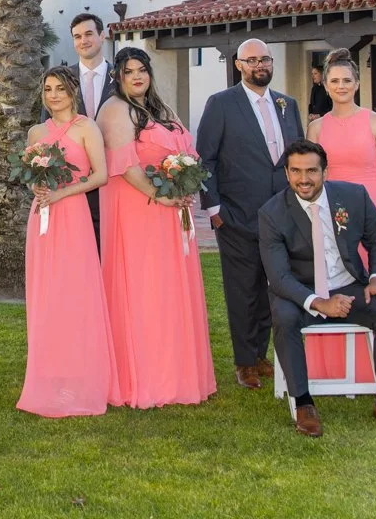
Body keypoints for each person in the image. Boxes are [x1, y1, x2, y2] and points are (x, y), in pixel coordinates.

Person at [258, 141, 376, 438]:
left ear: (325, 171)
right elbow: (278, 277)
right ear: (286, 173)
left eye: (312, 170)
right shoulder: (272, 213)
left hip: (350, 286)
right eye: (296, 171)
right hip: (299, 291)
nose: (304, 179)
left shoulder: (354, 197)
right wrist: (318, 303)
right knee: (285, 318)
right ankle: (303, 403)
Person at [98, 48, 217, 409]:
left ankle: (179, 373)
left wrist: (186, 184)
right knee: (145, 291)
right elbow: (126, 165)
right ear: (117, 76)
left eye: (142, 70)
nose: (137, 77)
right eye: (128, 71)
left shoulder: (161, 108)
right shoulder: (115, 110)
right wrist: (159, 196)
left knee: (171, 290)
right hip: (138, 211)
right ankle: (145, 379)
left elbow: (188, 152)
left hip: (170, 212)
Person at [307, 47, 376, 404]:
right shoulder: (316, 126)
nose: (341, 86)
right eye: (334, 81)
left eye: (347, 80)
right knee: (334, 287)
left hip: (370, 212)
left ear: (357, 83)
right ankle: (334, 371)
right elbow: (310, 177)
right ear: (325, 85)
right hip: (330, 216)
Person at [195, 37, 304, 390]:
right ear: (239, 65)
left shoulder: (288, 104)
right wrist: (214, 208)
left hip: (282, 216)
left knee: (275, 287)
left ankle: (261, 354)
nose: (260, 65)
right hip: (237, 215)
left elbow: (297, 157)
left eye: (265, 59)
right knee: (244, 291)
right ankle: (244, 362)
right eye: (252, 60)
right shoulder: (222, 104)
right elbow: (205, 158)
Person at [17, 66, 112, 418]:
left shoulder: (87, 127)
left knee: (75, 293)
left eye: (60, 88)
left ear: (73, 90)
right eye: (48, 88)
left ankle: (80, 376)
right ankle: (49, 375)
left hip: (72, 216)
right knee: (46, 294)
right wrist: (37, 187)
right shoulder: (36, 131)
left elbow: (100, 175)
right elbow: (30, 174)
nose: (53, 94)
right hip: (41, 218)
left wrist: (63, 194)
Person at [70, 12, 112, 243]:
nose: (83, 41)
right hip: (75, 184)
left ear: (102, 36)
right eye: (77, 36)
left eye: (88, 34)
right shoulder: (61, 82)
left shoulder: (123, 78)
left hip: (117, 178)